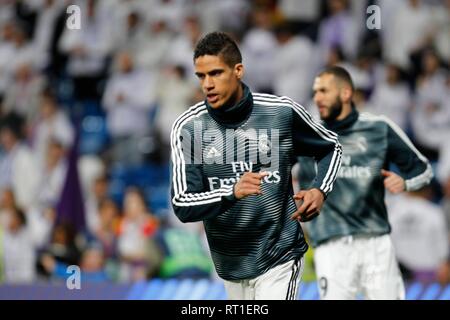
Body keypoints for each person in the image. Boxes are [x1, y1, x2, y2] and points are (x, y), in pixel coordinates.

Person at [170, 31, 342, 300]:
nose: (207, 84)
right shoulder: (190, 127)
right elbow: (182, 203)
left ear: (238, 70)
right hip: (230, 265)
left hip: (279, 254)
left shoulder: (280, 112)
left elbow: (331, 147)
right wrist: (232, 193)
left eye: (215, 73)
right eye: (201, 76)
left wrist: (320, 189)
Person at [297, 66, 433, 300]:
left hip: (375, 241)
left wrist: (406, 183)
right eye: (315, 92)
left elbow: (423, 169)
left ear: (346, 93)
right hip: (331, 244)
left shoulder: (378, 128)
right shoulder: (308, 133)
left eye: (324, 91)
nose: (317, 97)